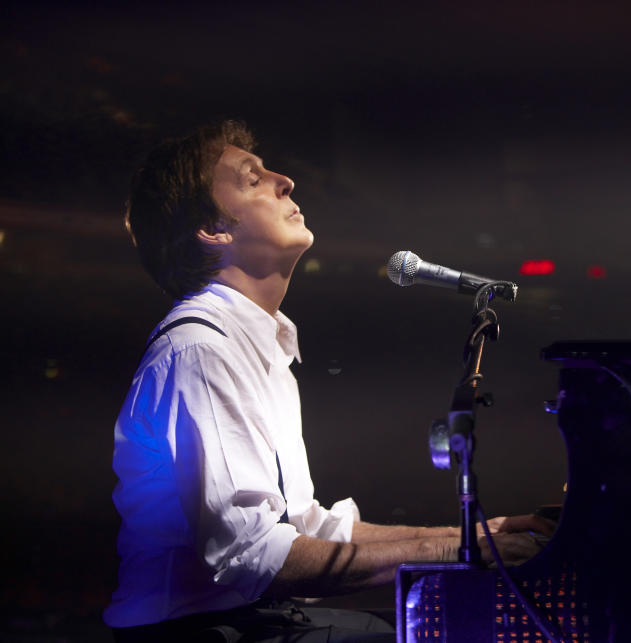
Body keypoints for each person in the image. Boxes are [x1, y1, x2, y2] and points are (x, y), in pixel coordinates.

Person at [105, 121, 551, 642]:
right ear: (215, 229)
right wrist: (456, 554)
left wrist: (476, 536)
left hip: (248, 620)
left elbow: (305, 530)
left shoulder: (256, 341)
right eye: (252, 179)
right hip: (199, 631)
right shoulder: (202, 351)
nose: (285, 180)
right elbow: (252, 557)